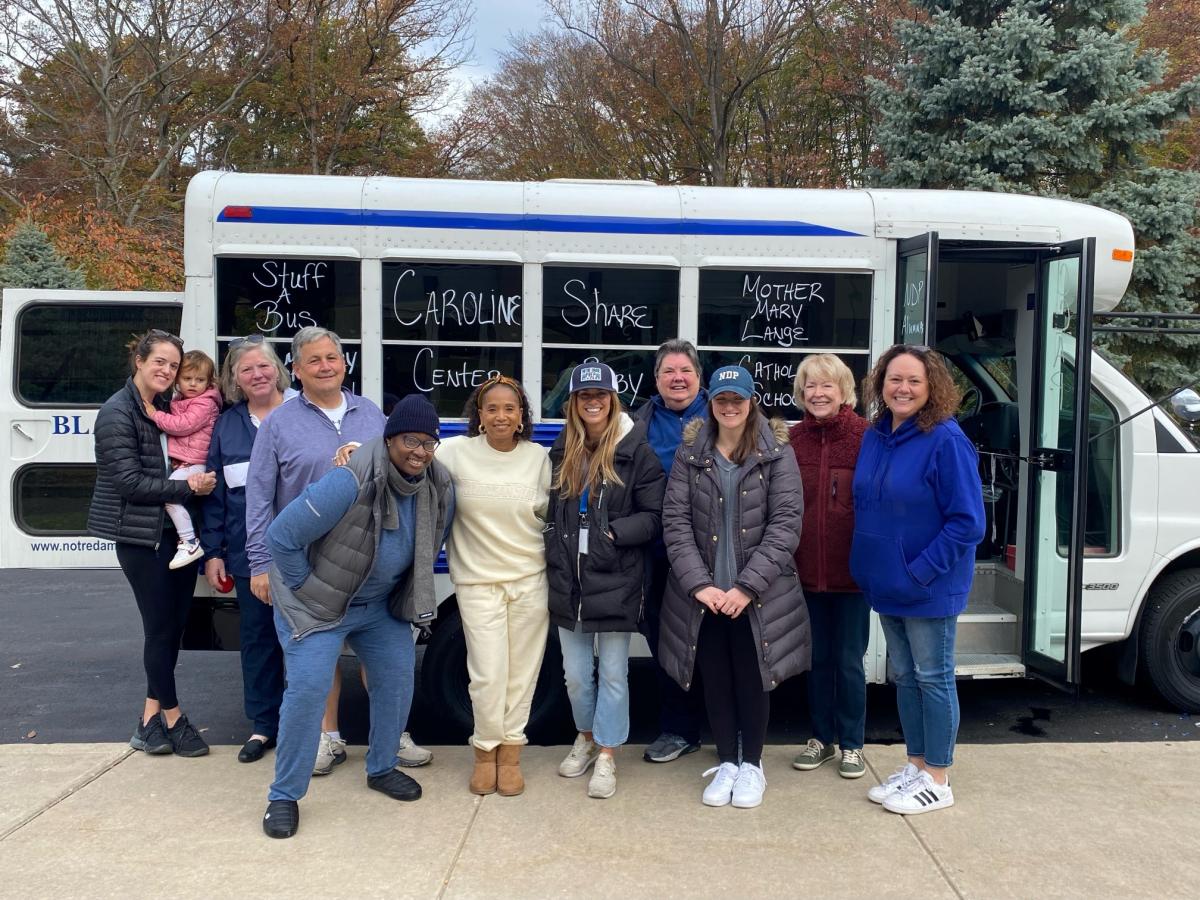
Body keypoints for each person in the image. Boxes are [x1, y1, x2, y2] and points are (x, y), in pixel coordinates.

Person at [261, 395, 454, 839]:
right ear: (388, 440)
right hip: (317, 603)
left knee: (398, 678)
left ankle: (382, 766)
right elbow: (281, 537)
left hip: (378, 605)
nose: (419, 451)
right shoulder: (349, 480)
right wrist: (308, 588)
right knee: (308, 691)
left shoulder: (439, 485)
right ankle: (284, 795)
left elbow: (433, 540)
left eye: (429, 443)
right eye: (410, 440)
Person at [247, 326, 431, 775]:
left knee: (385, 659)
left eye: (332, 357)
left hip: (371, 562)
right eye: (314, 360)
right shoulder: (278, 424)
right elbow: (258, 495)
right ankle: (327, 739)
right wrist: (260, 564)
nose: (325, 366)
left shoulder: (372, 415)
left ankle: (391, 739)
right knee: (318, 660)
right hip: (307, 563)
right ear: (296, 369)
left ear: (344, 363)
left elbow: (402, 473)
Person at [659, 365, 809, 809]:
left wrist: (746, 587)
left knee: (752, 677)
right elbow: (676, 522)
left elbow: (786, 524)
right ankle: (727, 761)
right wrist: (700, 585)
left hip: (756, 595)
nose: (729, 407)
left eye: (737, 400)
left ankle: (753, 766)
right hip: (705, 596)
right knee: (716, 679)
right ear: (712, 402)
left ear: (751, 402)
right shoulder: (692, 453)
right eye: (722, 400)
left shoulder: (777, 452)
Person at [850, 344, 985, 816]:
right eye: (894, 379)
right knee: (905, 677)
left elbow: (968, 522)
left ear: (932, 388)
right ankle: (916, 764)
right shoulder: (876, 435)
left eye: (913, 381)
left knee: (933, 678)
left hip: (928, 585)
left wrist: (920, 569)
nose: (902, 388)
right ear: (880, 384)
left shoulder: (946, 439)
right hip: (886, 584)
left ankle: (939, 777)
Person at [87, 330, 217, 757]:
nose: (167, 370)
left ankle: (147, 722)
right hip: (142, 539)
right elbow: (127, 482)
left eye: (174, 365)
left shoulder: (167, 407)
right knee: (159, 630)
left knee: (172, 630)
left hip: (175, 538)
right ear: (139, 361)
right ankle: (176, 719)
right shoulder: (117, 412)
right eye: (159, 361)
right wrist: (189, 490)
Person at [546, 363, 665, 799]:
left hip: (616, 578)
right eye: (583, 395)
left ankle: (609, 754)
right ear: (573, 403)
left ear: (613, 400)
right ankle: (586, 737)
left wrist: (612, 533)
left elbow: (654, 517)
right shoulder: (563, 449)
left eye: (600, 394)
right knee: (576, 675)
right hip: (569, 580)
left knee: (614, 673)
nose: (592, 401)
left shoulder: (637, 451)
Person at [436, 374, 551, 797]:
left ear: (522, 415)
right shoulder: (453, 453)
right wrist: (358, 453)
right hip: (477, 582)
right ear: (479, 415)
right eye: (492, 408)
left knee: (522, 675)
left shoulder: (539, 458)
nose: (501, 415)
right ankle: (484, 752)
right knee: (487, 674)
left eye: (510, 408)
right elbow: (405, 457)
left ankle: (511, 755)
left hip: (529, 579)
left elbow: (549, 515)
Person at [199, 335, 292, 763]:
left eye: (263, 366)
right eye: (246, 369)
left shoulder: (302, 412)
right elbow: (216, 494)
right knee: (258, 639)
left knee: (309, 640)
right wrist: (213, 552)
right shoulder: (227, 425)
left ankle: (310, 725)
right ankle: (263, 726)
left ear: (278, 369)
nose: (257, 375)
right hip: (248, 553)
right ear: (234, 379)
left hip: (306, 553)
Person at [787, 354, 871, 779]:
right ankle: (819, 739)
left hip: (852, 576)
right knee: (817, 660)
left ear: (844, 392)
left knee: (849, 661)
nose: (818, 394)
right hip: (804, 574)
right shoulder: (792, 440)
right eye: (810, 387)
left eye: (827, 386)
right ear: (801, 393)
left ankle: (852, 744)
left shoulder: (866, 437)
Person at [633, 339, 709, 764]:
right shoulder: (636, 422)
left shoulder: (723, 414)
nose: (678, 379)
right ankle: (678, 729)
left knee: (714, 642)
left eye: (686, 371)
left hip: (711, 554)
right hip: (655, 552)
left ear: (699, 378)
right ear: (657, 378)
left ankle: (729, 726)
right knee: (665, 641)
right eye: (669, 372)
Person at [145, 349, 222, 570]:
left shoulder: (204, 404)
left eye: (200, 380)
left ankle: (189, 541)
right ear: (178, 379)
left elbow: (182, 426)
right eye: (187, 379)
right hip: (186, 461)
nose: (193, 384)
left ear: (209, 383)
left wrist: (154, 414)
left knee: (169, 496)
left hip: (196, 462)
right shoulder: (180, 400)